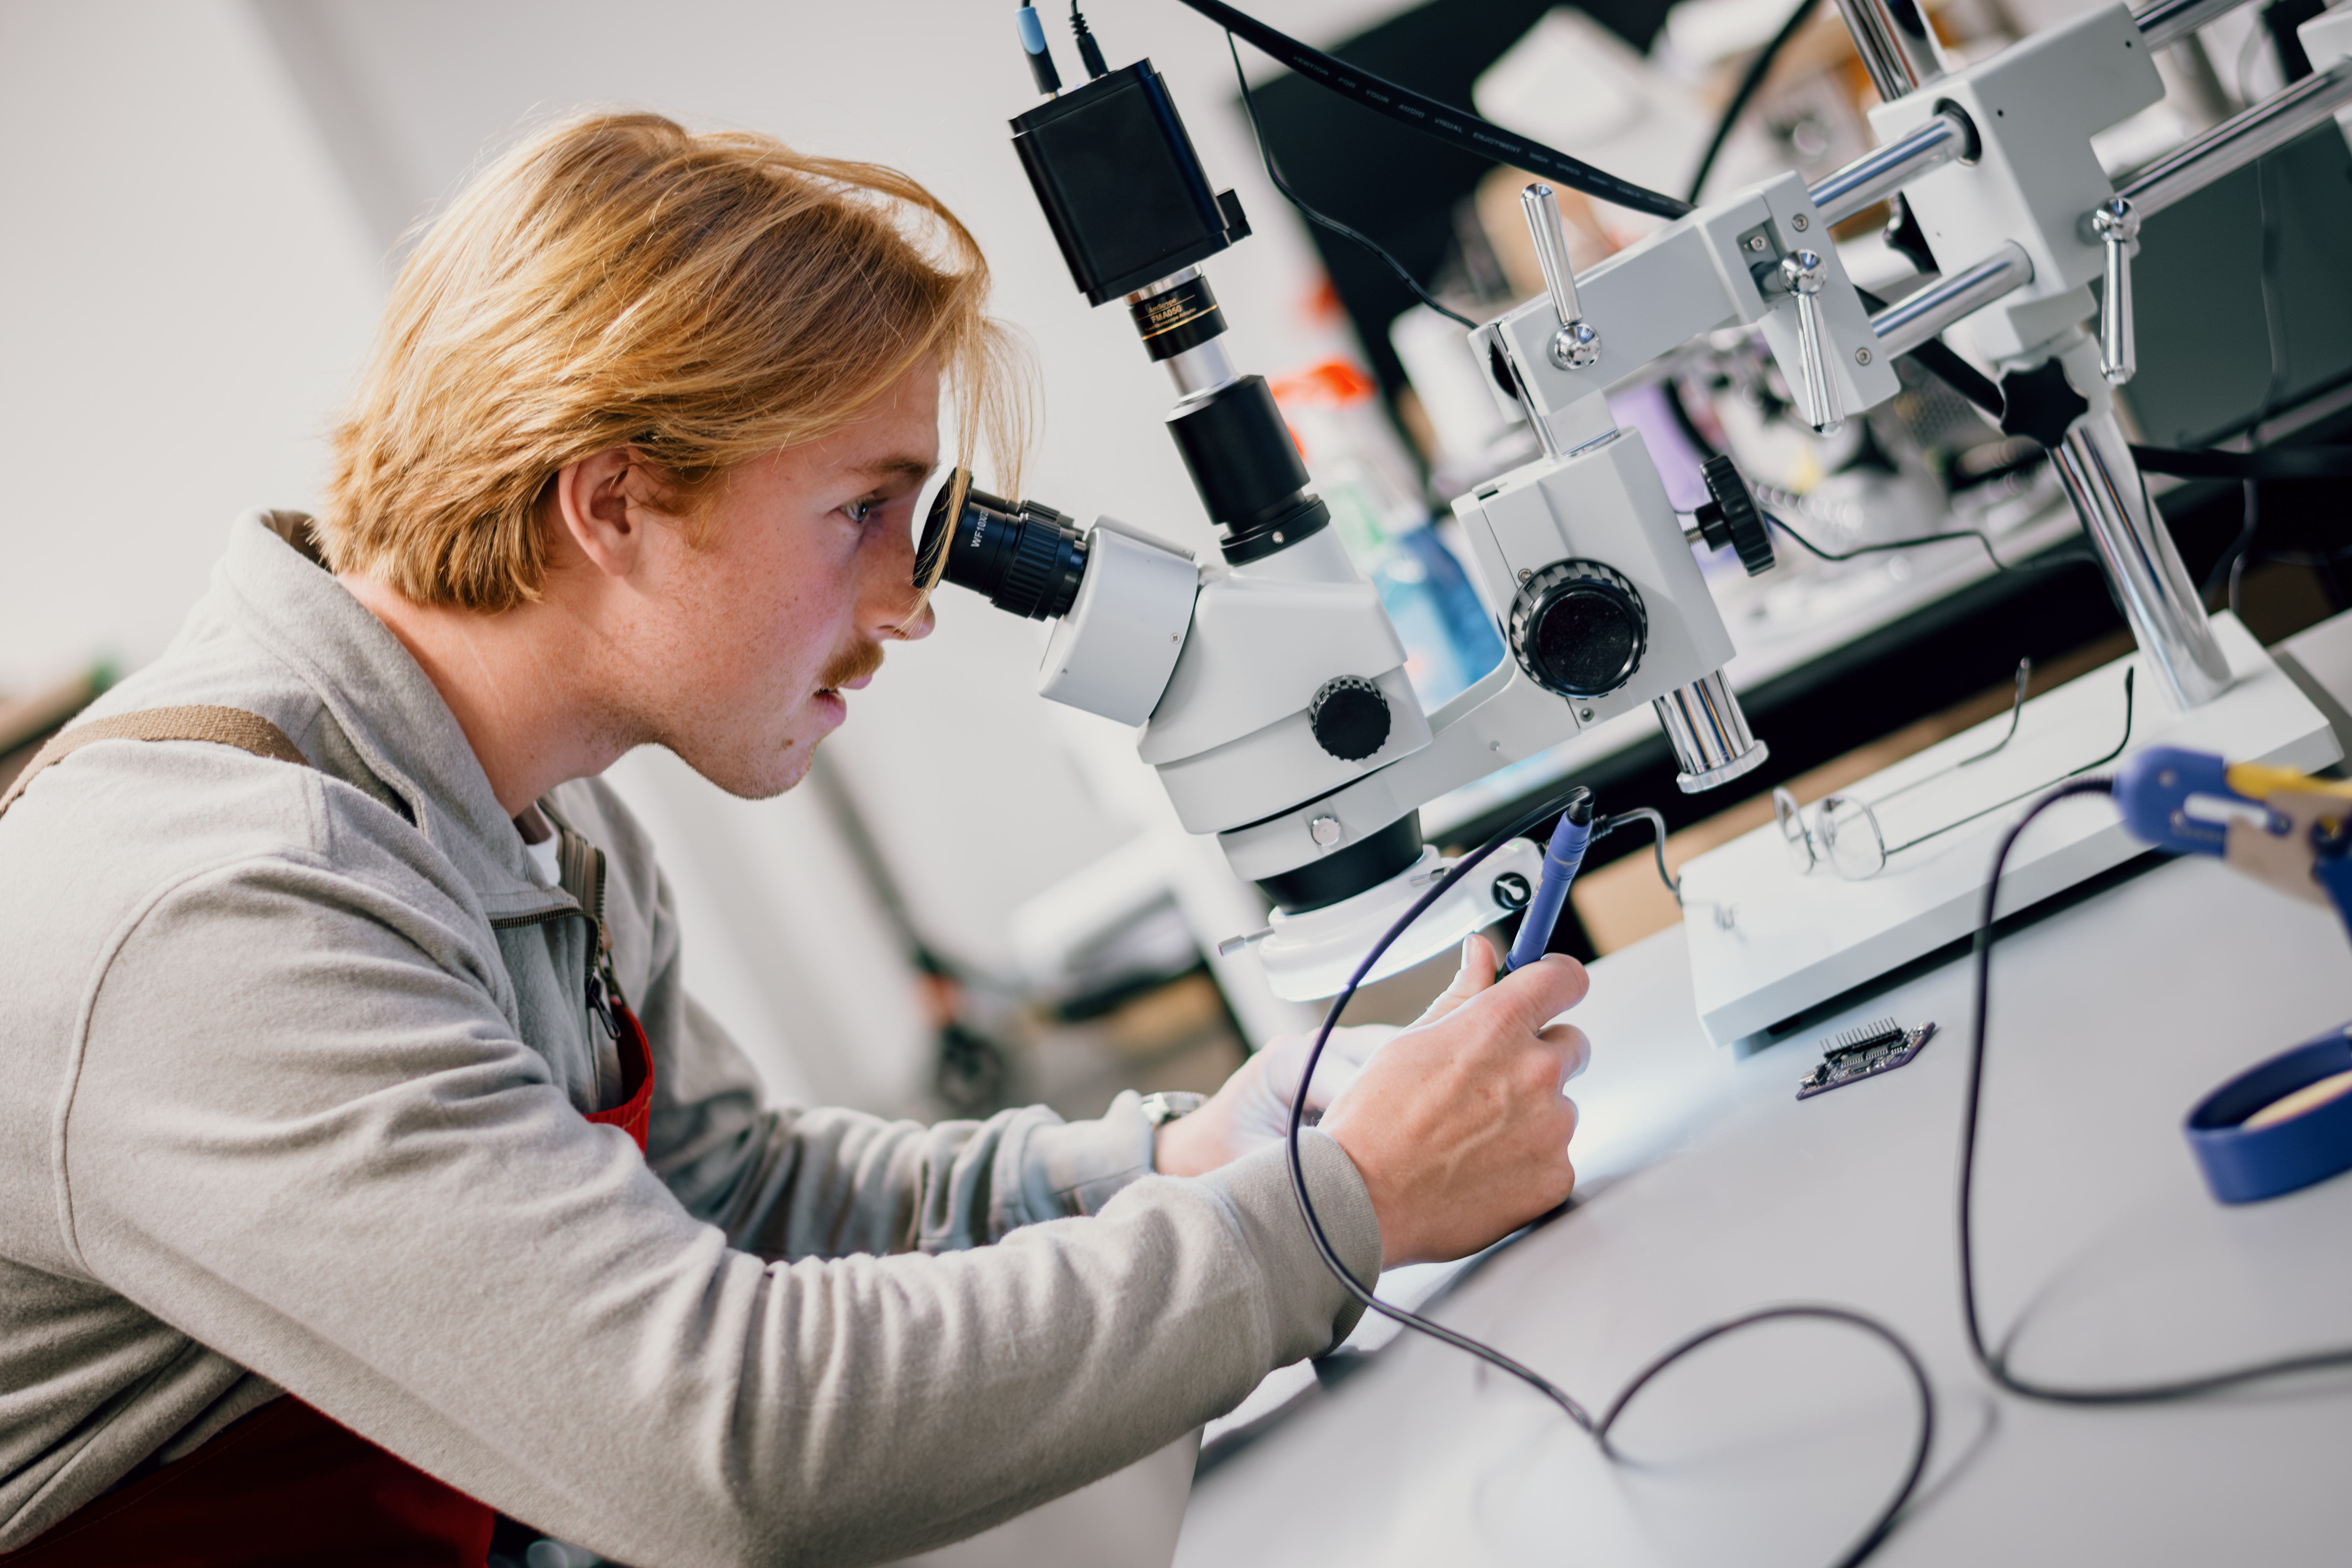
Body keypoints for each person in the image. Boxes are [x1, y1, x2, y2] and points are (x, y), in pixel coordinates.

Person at [0, 111, 1590, 1566]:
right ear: (614, 503)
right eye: (860, 512)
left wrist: (1178, 1161)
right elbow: (721, 1441)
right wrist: (1335, 1213)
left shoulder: (527, 804)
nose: (910, 603)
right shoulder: (216, 910)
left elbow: (729, 1191)